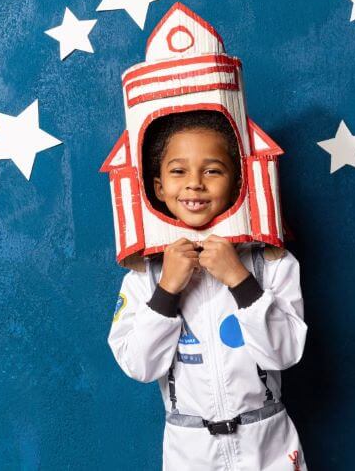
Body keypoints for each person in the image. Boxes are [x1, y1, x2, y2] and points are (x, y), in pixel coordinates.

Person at [108, 110, 308, 470]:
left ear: (237, 181)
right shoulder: (146, 275)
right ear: (158, 187)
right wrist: (167, 289)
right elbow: (139, 365)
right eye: (178, 170)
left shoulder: (272, 262)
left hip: (266, 445)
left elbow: (285, 354)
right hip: (191, 451)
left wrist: (240, 281)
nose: (195, 184)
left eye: (212, 170)